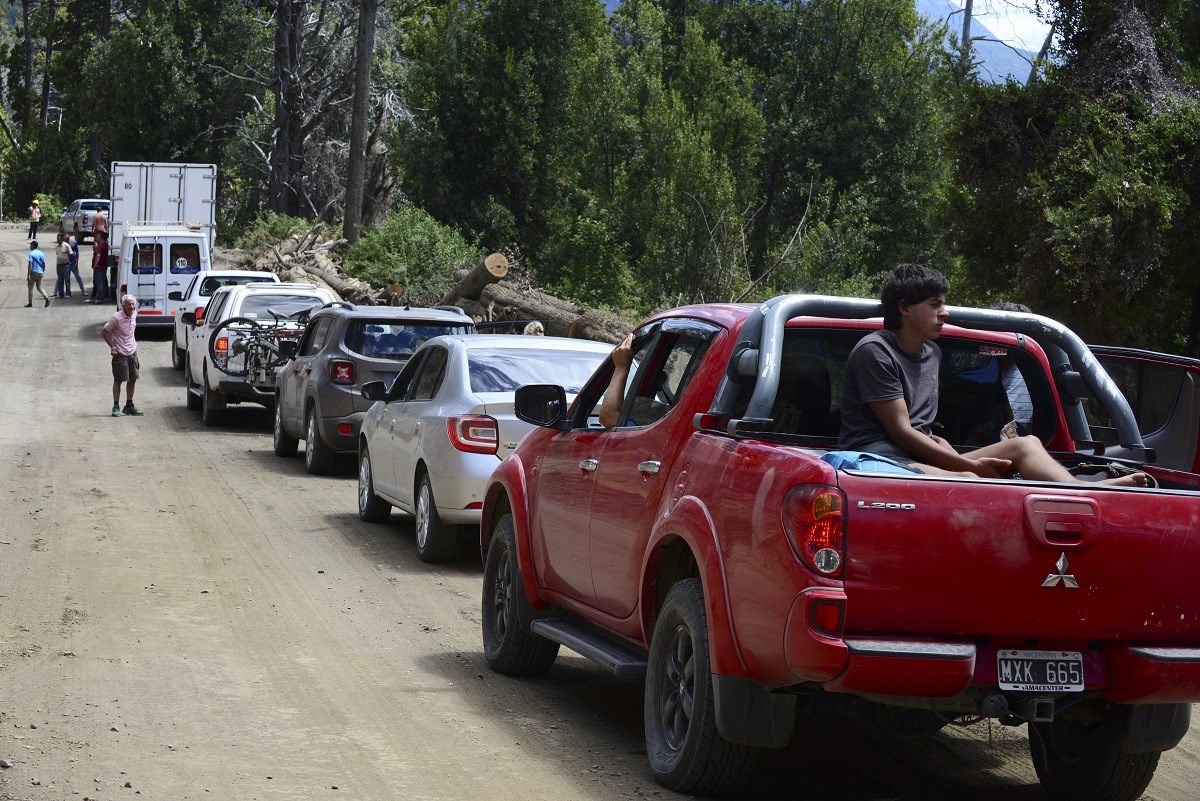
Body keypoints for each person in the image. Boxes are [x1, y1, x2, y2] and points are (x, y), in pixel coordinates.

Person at [838, 263, 1146, 486]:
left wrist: (950, 451)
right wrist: (967, 464)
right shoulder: (875, 351)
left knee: (1026, 445)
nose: (944, 313)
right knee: (970, 479)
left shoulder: (932, 353)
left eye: (943, 304)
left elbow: (922, 428)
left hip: (921, 458)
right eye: (935, 305)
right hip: (881, 462)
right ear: (904, 308)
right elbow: (901, 432)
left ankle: (1083, 490)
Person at [101, 294, 143, 416]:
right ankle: (115, 406)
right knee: (118, 379)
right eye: (129, 304)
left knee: (133, 378)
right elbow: (104, 332)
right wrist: (112, 347)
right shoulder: (116, 318)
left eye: (133, 304)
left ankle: (129, 405)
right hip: (120, 352)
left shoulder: (134, 314)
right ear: (123, 305)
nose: (131, 306)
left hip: (132, 350)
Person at [25, 240, 50, 308]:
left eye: (30, 245)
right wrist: (43, 271)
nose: (30, 246)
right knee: (40, 287)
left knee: (30, 288)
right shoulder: (41, 253)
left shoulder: (31, 254)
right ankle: (47, 298)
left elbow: (30, 265)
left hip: (33, 272)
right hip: (40, 272)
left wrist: (28, 275)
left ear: (33, 245)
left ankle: (30, 302)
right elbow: (44, 264)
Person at [88, 230, 109, 303]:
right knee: (103, 282)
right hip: (104, 266)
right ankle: (102, 297)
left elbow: (98, 255)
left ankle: (99, 298)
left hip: (99, 267)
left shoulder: (100, 245)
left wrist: (95, 265)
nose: (95, 237)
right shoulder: (106, 244)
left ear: (100, 237)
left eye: (97, 236)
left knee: (99, 283)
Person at [53, 232, 71, 299]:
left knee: (67, 280)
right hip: (59, 265)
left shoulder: (66, 245)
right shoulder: (57, 247)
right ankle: (61, 294)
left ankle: (68, 294)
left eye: (58, 238)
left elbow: (71, 254)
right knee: (60, 280)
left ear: (62, 239)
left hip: (66, 265)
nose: (57, 240)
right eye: (57, 238)